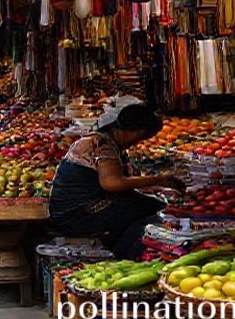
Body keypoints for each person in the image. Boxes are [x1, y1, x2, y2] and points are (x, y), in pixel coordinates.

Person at [48, 102, 185, 259]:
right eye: (142, 137)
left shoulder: (103, 140)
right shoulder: (103, 146)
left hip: (67, 209)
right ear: (137, 132)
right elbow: (112, 183)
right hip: (77, 213)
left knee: (143, 203)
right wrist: (157, 180)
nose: (137, 142)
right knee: (153, 209)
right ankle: (124, 254)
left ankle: (119, 247)